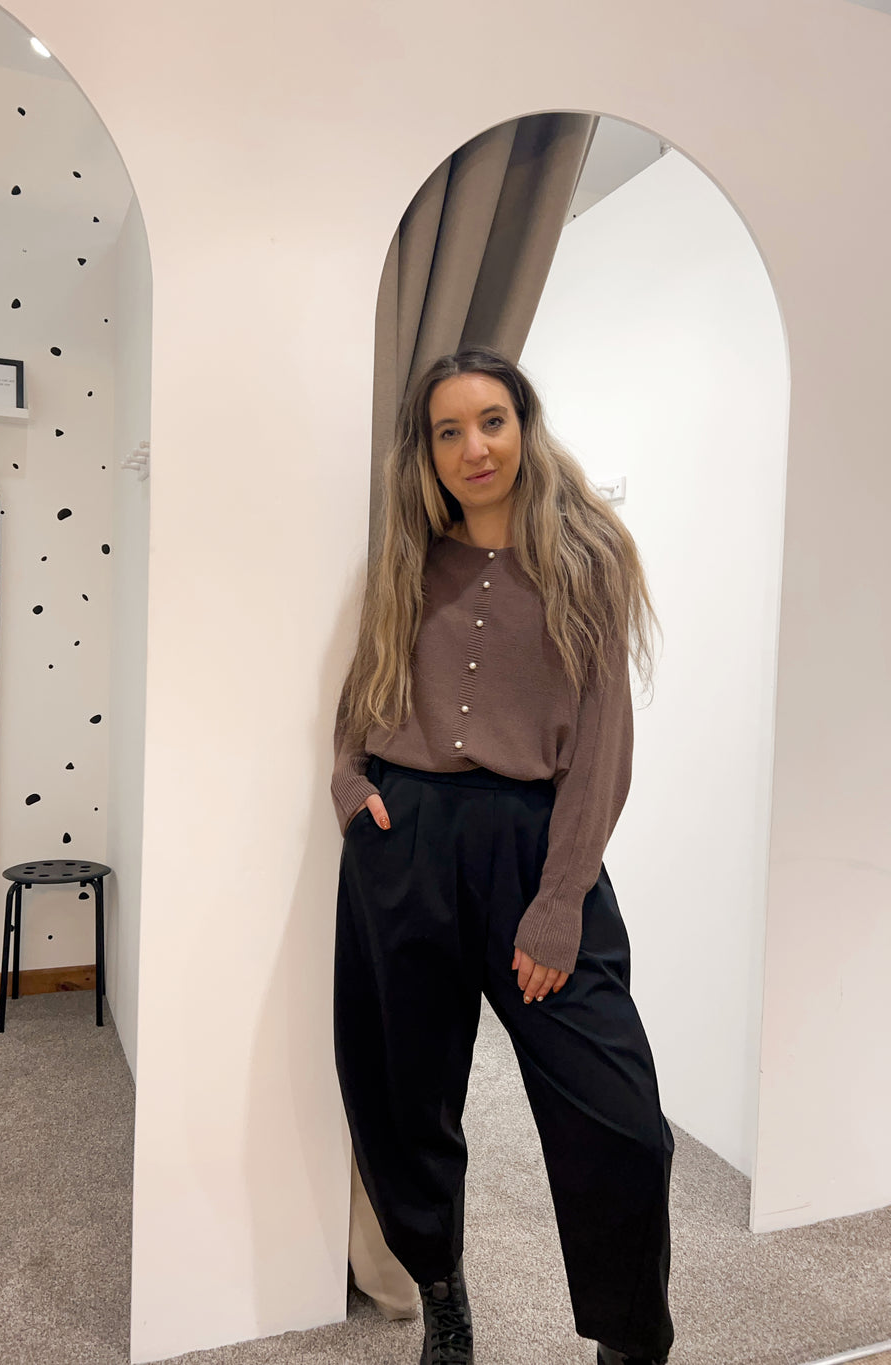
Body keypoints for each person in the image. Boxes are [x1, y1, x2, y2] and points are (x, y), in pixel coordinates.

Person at [331, 347, 675, 1365]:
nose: (473, 447)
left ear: (524, 425)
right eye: (449, 431)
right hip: (404, 843)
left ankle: (630, 1339)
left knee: (620, 1120)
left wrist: (561, 900)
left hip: (536, 848)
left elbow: (602, 744)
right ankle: (443, 1299)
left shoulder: (587, 559)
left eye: (491, 421)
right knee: (401, 1096)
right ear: (427, 452)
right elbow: (363, 687)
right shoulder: (407, 559)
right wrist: (349, 783)